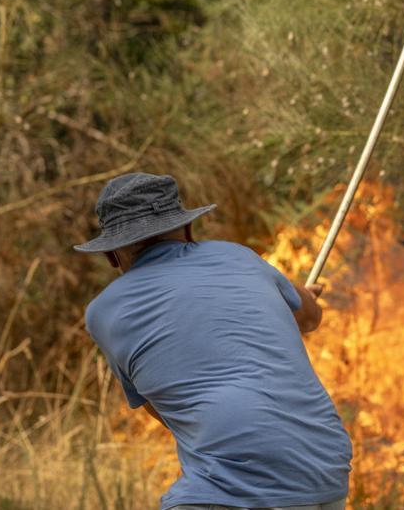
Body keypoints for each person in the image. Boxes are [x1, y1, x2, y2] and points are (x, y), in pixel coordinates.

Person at [75, 172, 352, 510]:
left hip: (236, 487)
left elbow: (161, 405)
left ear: (111, 256)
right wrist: (299, 298)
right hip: (329, 469)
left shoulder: (103, 312)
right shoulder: (240, 257)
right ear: (189, 230)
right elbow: (310, 317)